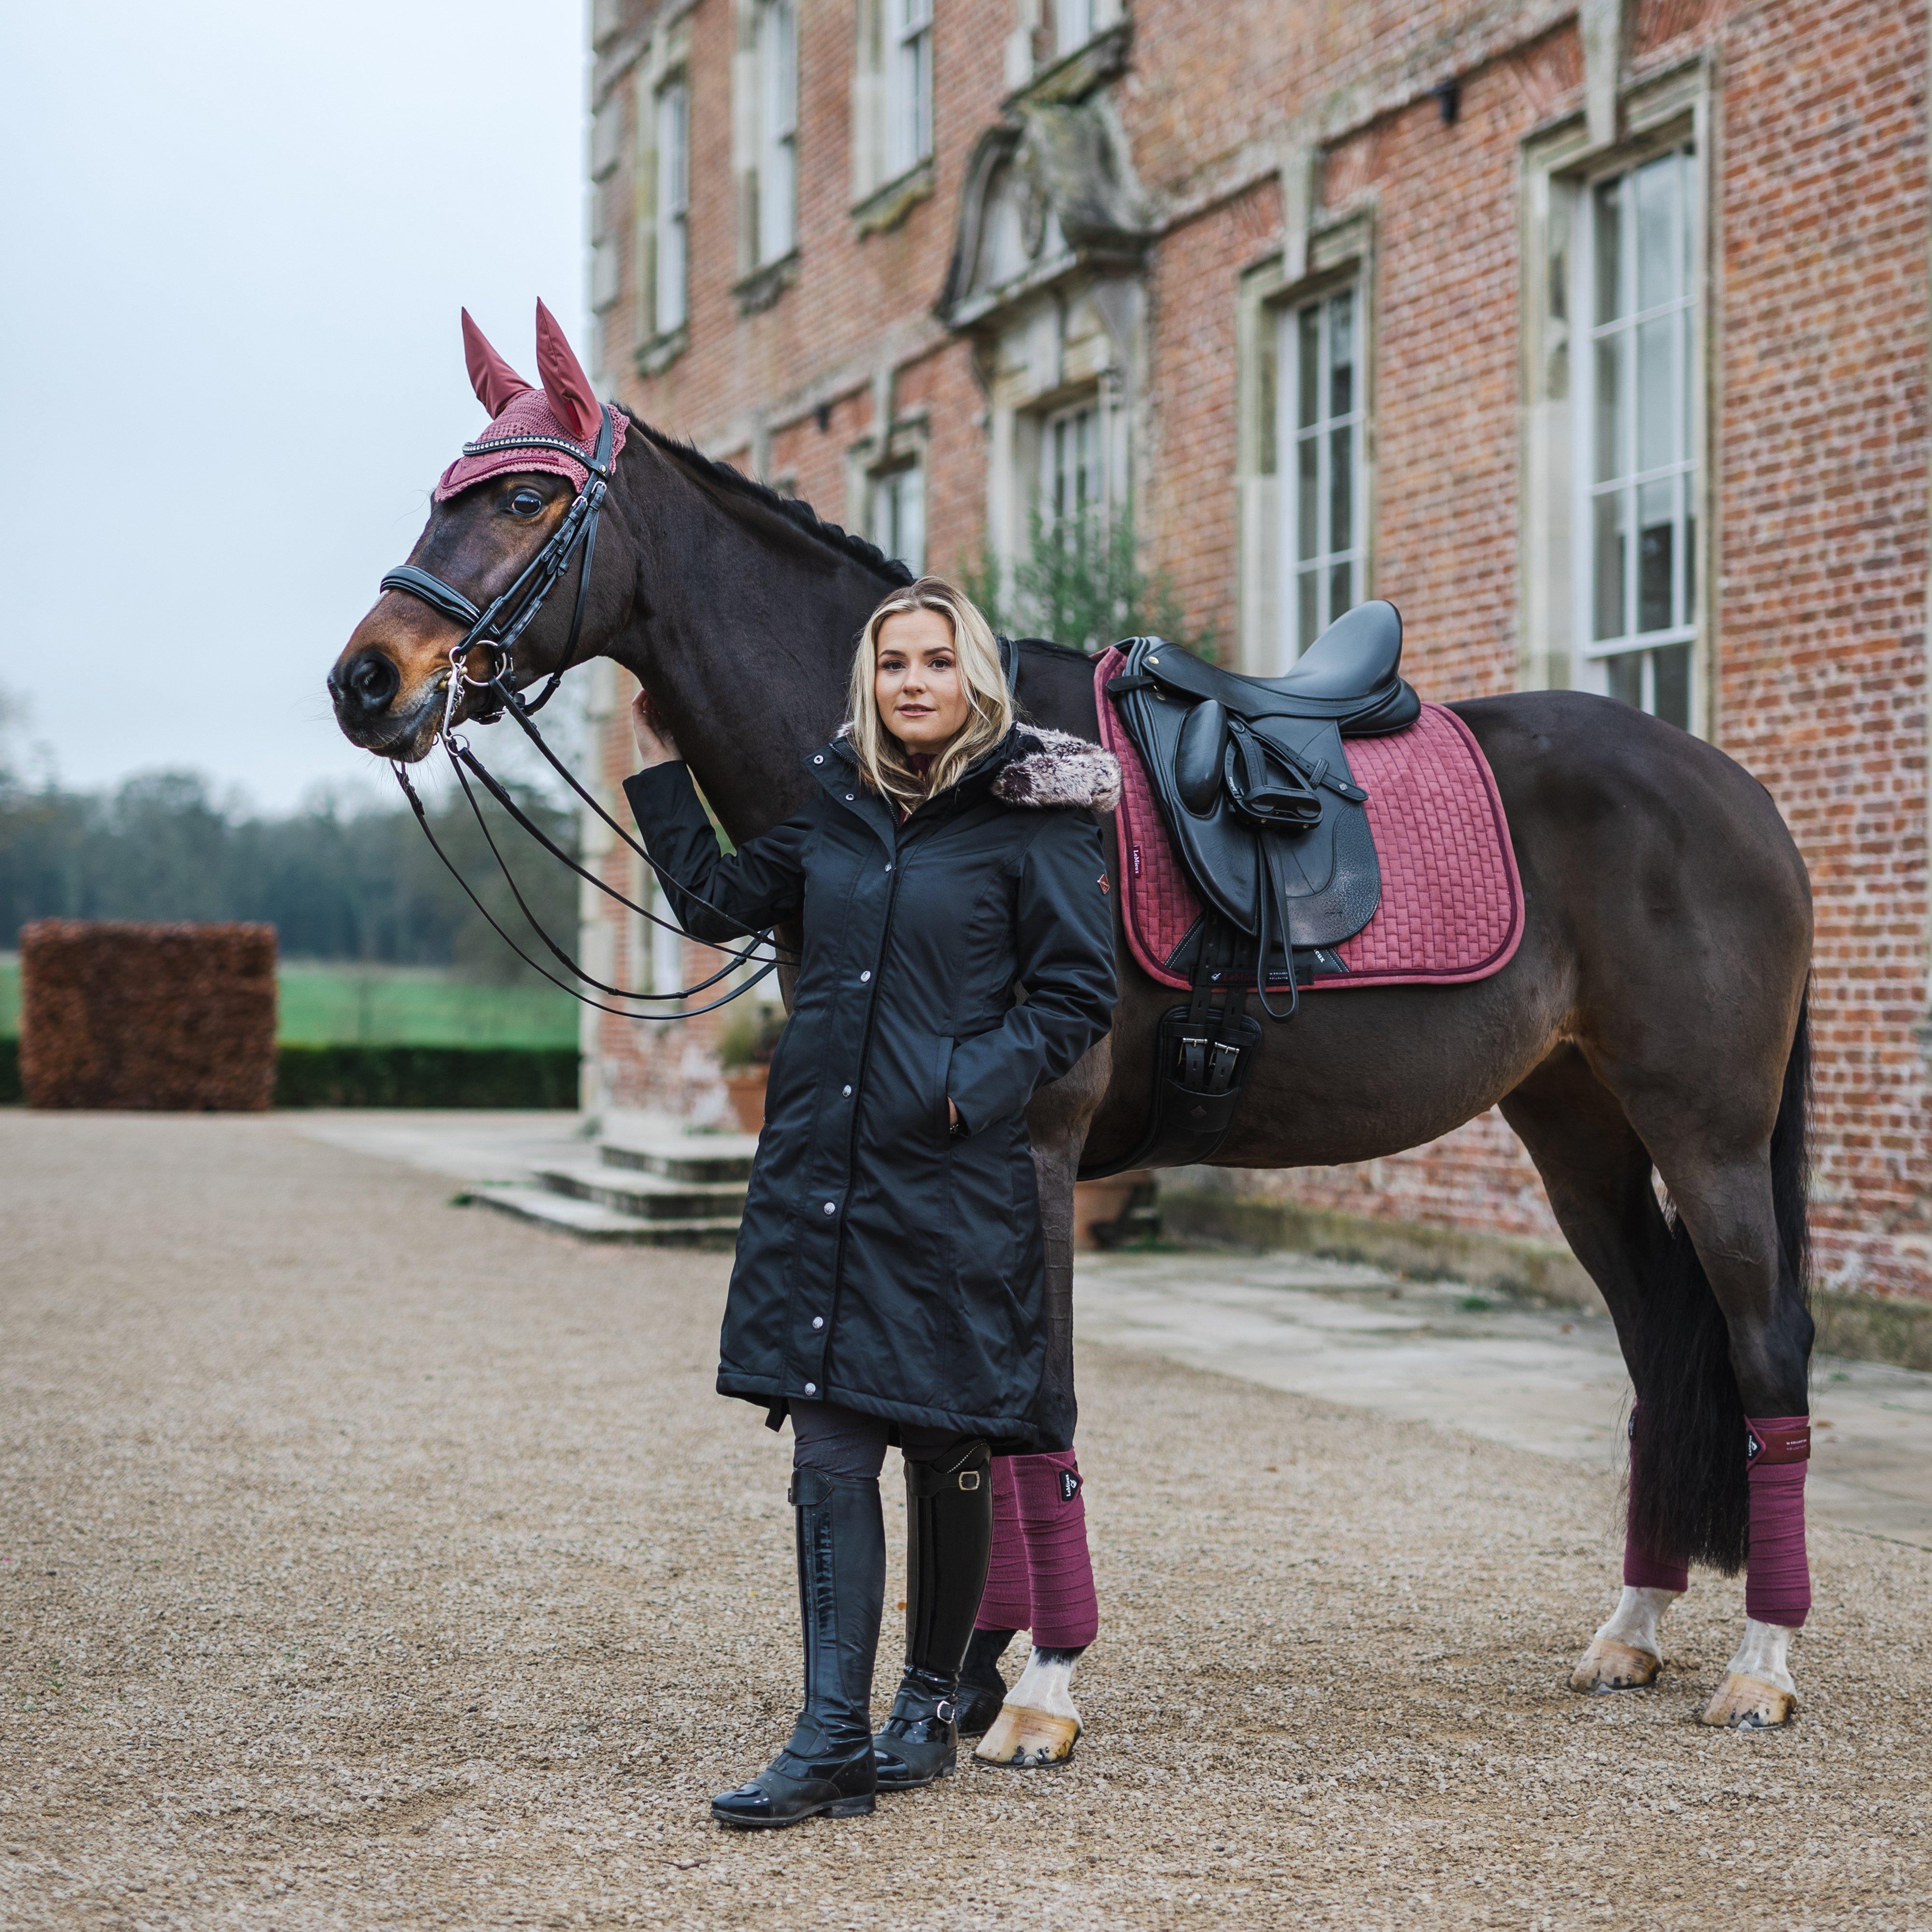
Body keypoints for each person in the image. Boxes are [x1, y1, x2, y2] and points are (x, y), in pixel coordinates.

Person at [624, 576, 1119, 1829]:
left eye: (934, 662)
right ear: (871, 680)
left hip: (951, 1180)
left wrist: (971, 1084)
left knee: (947, 1442)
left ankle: (919, 1712)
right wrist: (662, 774)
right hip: (826, 1181)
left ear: (974, 679)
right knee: (831, 1450)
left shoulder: (1032, 819)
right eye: (893, 662)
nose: (911, 681)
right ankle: (830, 1738)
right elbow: (717, 903)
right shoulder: (832, 811)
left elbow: (1075, 994)